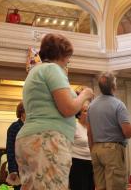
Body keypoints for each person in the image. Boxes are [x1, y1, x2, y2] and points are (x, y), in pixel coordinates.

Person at [15, 33, 94, 189]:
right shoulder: (53, 69)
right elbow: (68, 108)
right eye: (68, 57)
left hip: (32, 139)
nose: (68, 61)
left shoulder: (36, 71)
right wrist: (85, 95)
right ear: (62, 54)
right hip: (48, 140)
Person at [87, 72, 131, 190]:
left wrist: (92, 149)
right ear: (114, 86)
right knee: (115, 186)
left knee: (100, 187)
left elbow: (89, 132)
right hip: (112, 150)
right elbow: (128, 132)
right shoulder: (118, 105)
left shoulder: (91, 106)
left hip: (96, 149)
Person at [69, 100, 94, 190]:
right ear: (79, 115)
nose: (88, 113)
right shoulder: (74, 126)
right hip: (77, 163)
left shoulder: (92, 127)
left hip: (91, 162)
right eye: (85, 111)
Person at [6, 102, 26, 190]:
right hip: (18, 167)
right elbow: (10, 149)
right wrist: (13, 170)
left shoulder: (32, 126)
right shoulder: (14, 127)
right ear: (22, 113)